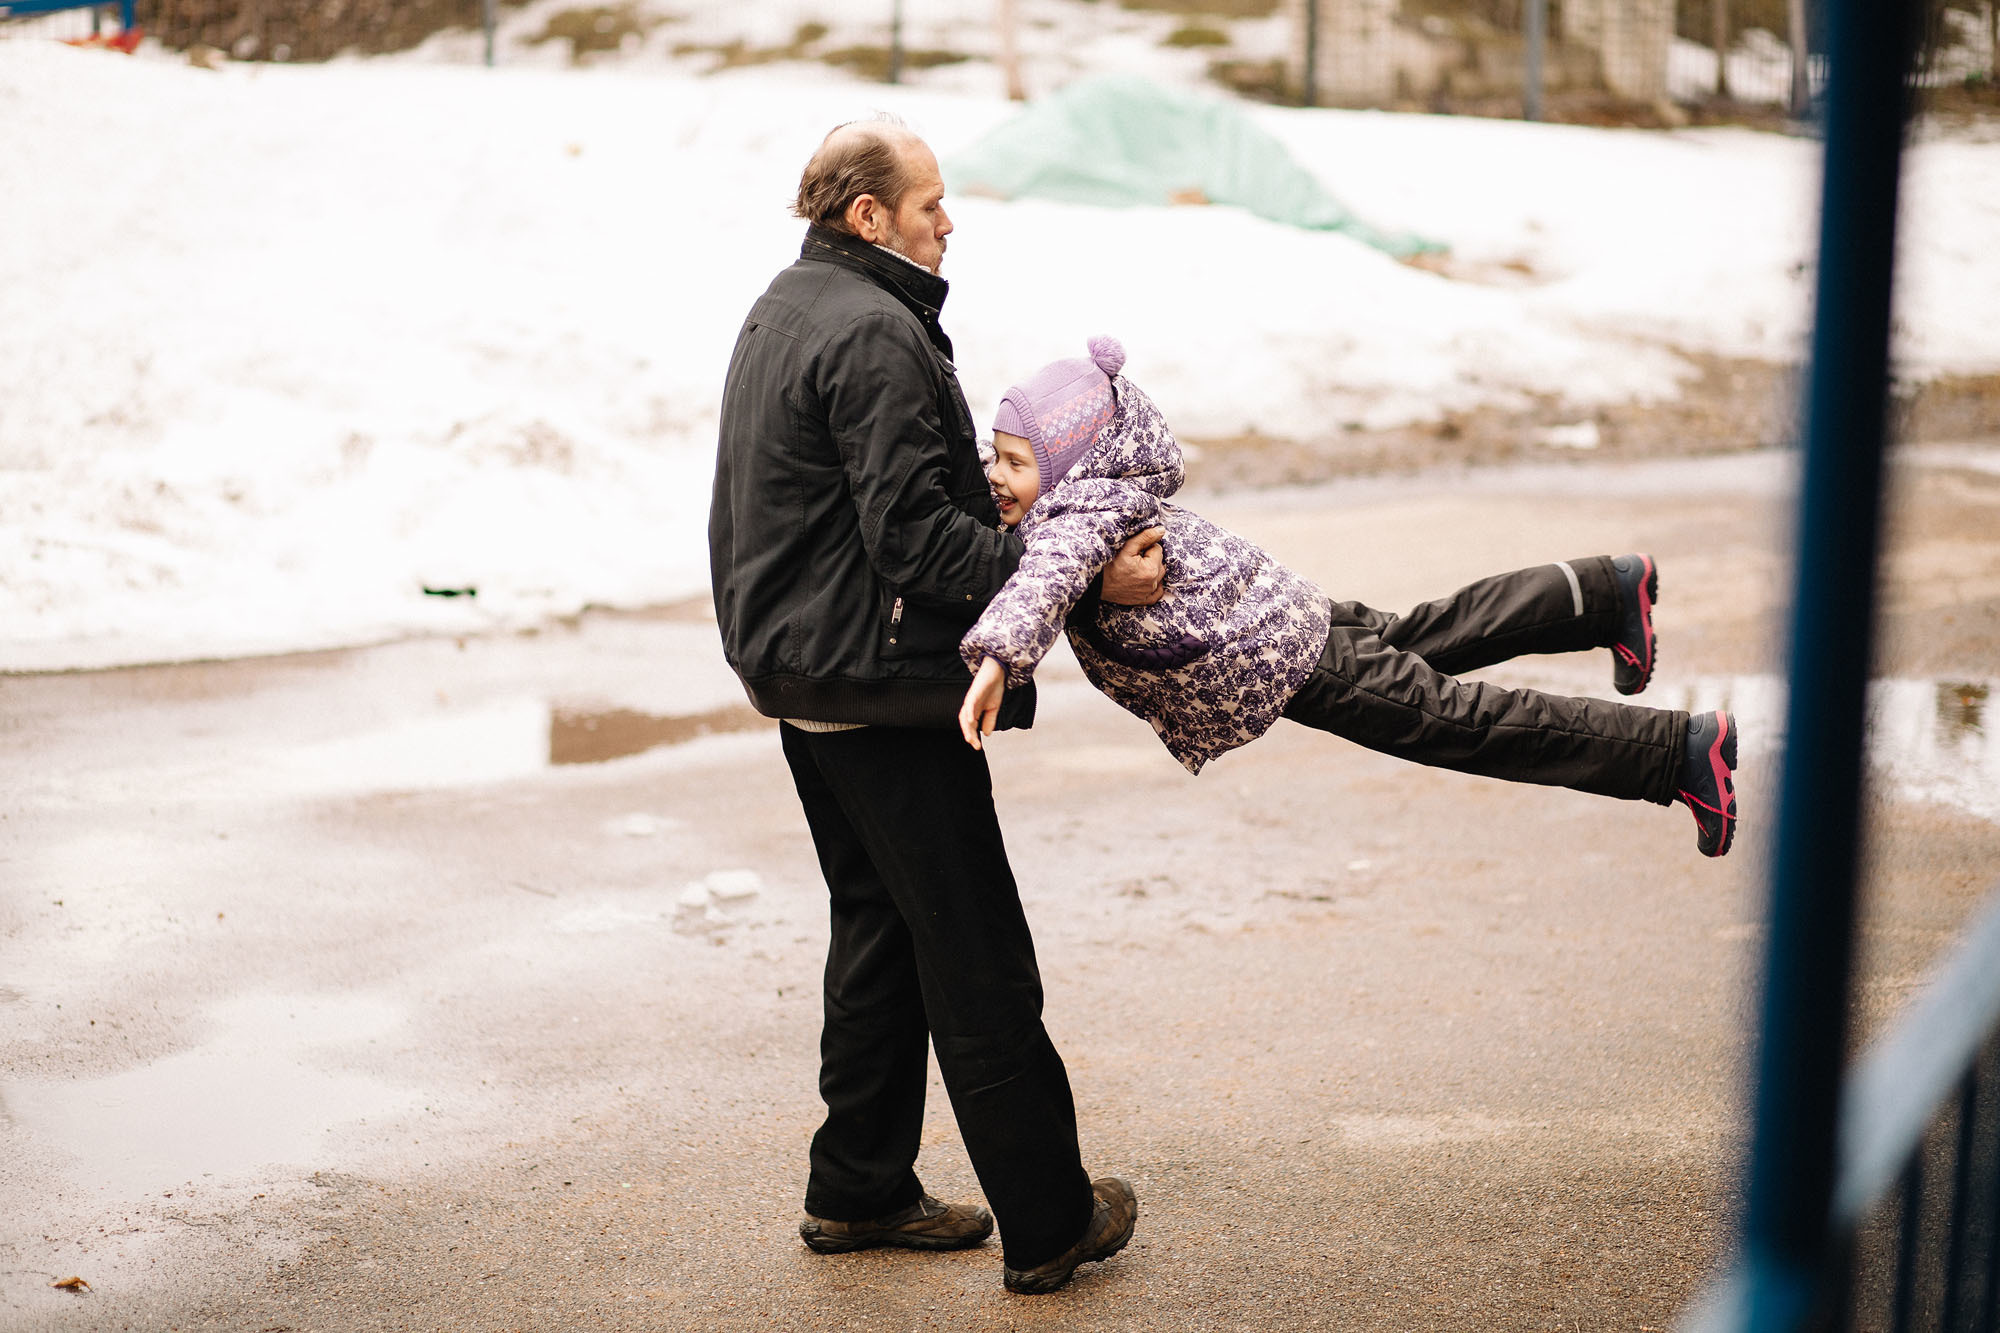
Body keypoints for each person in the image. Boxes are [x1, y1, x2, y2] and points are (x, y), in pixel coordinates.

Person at [709, 119, 1164, 1295]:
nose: (946, 220)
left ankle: (856, 1184)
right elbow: (913, 540)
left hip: (805, 670)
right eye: (929, 203)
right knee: (976, 953)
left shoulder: (791, 302)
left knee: (880, 927)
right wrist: (1066, 567)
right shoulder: (871, 331)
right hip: (881, 681)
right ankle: (1049, 1216)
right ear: (868, 215)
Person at [958, 336, 1740, 858]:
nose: (997, 475)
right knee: (1437, 632)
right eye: (995, 455)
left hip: (1283, 656)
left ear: (1072, 465)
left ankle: (1675, 753)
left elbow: (1046, 576)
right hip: (1287, 620)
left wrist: (999, 657)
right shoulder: (1106, 487)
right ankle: (1605, 593)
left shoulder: (1077, 513)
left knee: (1464, 725)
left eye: (1016, 462)